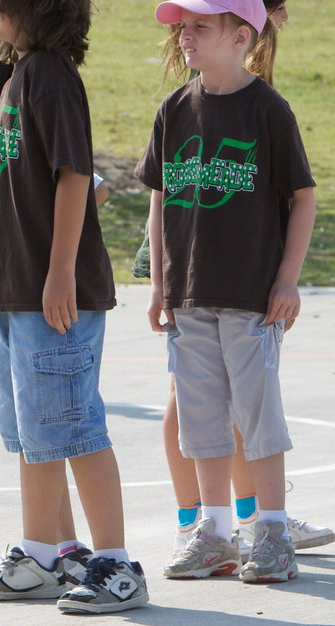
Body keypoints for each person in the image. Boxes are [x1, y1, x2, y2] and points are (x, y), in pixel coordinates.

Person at [133, 0, 333, 561]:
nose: (186, 36)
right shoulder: (174, 108)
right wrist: (159, 284)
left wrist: (287, 281)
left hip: (251, 297)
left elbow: (303, 198)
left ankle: (271, 530)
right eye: (183, 27)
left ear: (242, 35)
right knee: (199, 418)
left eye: (201, 26)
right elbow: (160, 196)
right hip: (189, 295)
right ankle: (214, 532)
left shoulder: (268, 109)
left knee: (256, 413)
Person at [0, 0, 150, 614]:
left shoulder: (49, 75)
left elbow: (74, 177)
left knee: (75, 429)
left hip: (53, 295)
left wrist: (59, 273)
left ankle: (117, 565)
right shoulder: (19, 75)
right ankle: (40, 555)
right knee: (31, 436)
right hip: (15, 291)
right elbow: (4, 195)